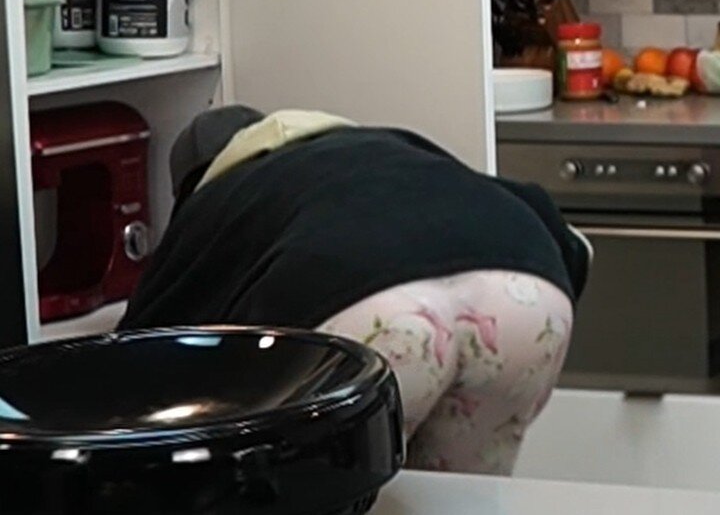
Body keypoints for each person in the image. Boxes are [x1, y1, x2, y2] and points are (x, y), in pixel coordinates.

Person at [120, 106, 591, 476]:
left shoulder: (217, 202)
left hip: (373, 313)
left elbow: (145, 355)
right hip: (526, 294)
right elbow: (572, 244)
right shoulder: (384, 150)